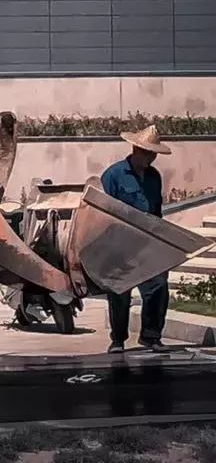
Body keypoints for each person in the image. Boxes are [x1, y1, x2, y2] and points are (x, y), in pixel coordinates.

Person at [101, 124, 171, 354]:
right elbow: (103, 211)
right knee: (120, 292)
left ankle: (151, 336)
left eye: (153, 153)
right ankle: (118, 339)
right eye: (146, 152)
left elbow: (157, 210)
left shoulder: (154, 177)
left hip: (148, 242)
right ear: (135, 149)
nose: (150, 157)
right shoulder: (113, 175)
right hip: (120, 243)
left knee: (158, 287)